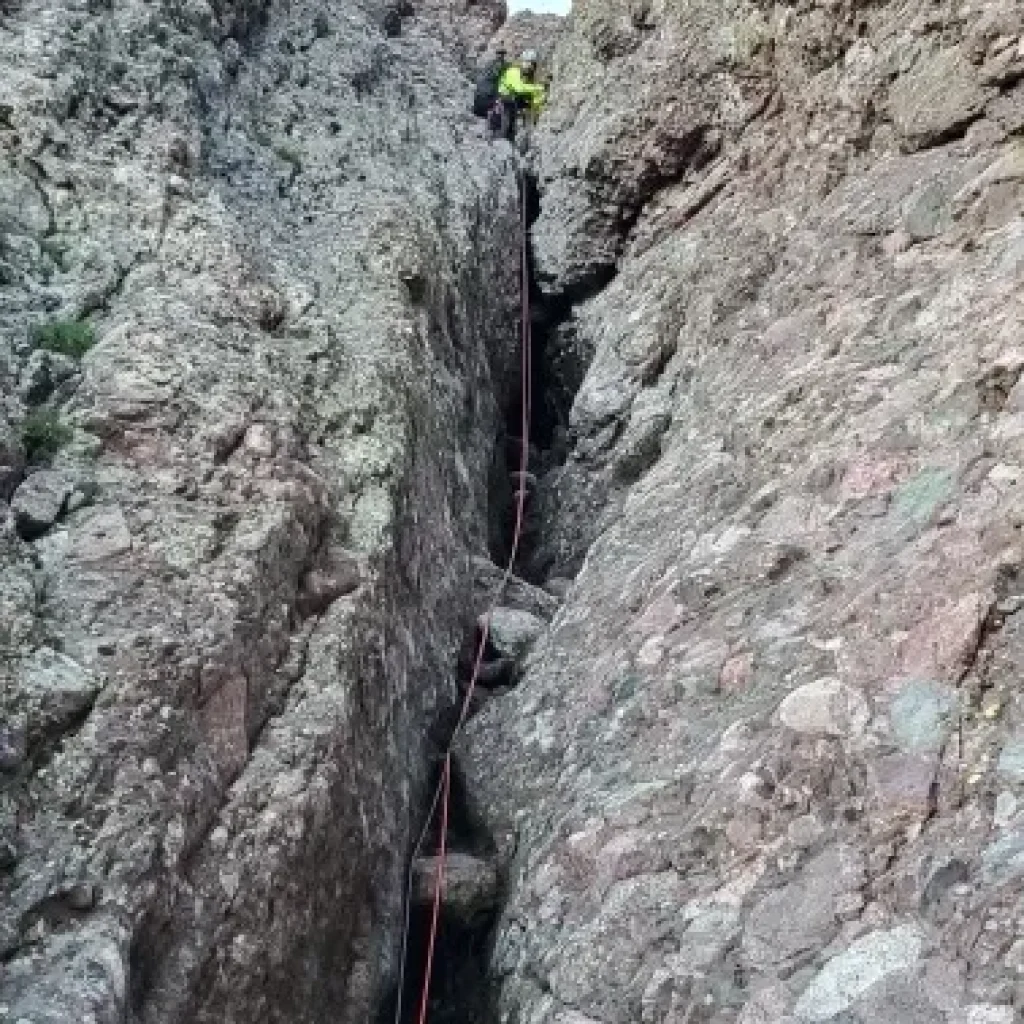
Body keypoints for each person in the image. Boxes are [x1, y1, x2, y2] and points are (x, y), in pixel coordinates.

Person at [496, 50, 546, 142]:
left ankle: (519, 133)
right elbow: (519, 88)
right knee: (507, 122)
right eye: (531, 64)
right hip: (505, 99)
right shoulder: (513, 71)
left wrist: (537, 110)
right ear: (524, 62)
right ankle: (503, 136)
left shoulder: (527, 77)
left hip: (514, 100)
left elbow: (532, 94)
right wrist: (539, 88)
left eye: (533, 65)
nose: (531, 67)